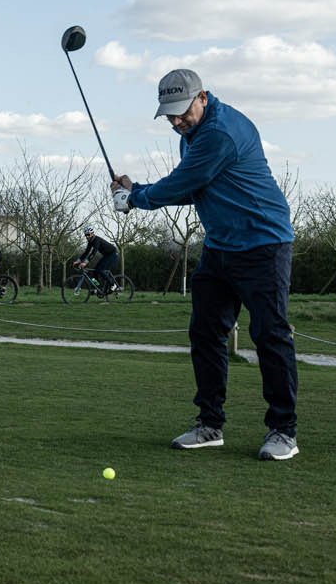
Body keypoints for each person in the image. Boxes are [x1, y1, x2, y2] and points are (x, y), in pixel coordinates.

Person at [110, 67, 299, 461]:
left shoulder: (220, 132)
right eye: (170, 116)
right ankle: (210, 425)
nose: (177, 122)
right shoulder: (192, 136)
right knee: (205, 333)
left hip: (264, 243)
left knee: (270, 335)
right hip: (220, 246)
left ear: (203, 97)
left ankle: (284, 432)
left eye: (183, 112)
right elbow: (194, 187)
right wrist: (136, 192)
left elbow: (184, 182)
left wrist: (135, 198)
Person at [74, 226, 119, 295]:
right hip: (107, 256)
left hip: (113, 255)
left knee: (100, 270)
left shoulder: (96, 240)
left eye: (88, 234)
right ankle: (98, 288)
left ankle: (113, 284)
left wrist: (85, 263)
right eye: (85, 235)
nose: (87, 236)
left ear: (92, 234)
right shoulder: (90, 242)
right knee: (95, 271)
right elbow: (86, 252)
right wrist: (78, 261)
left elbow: (93, 253)